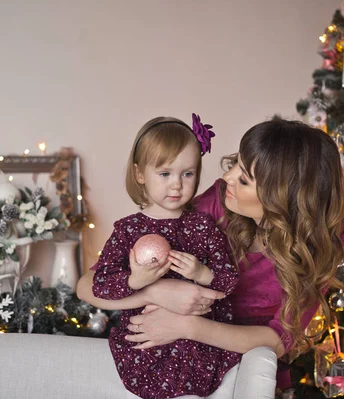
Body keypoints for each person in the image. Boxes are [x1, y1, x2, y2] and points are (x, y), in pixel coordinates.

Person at [78, 117, 344, 393]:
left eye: (244, 179)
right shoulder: (218, 203)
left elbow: (279, 338)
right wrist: (154, 292)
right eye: (236, 164)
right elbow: (88, 286)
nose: (226, 178)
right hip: (174, 354)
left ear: (280, 198)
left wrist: (187, 326)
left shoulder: (324, 230)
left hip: (245, 366)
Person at [91, 115, 242, 399]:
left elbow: (230, 281)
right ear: (140, 174)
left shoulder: (203, 226)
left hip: (198, 345)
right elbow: (101, 284)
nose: (177, 185)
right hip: (148, 344)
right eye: (165, 174)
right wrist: (135, 279)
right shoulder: (128, 230)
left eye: (188, 173)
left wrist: (202, 274)